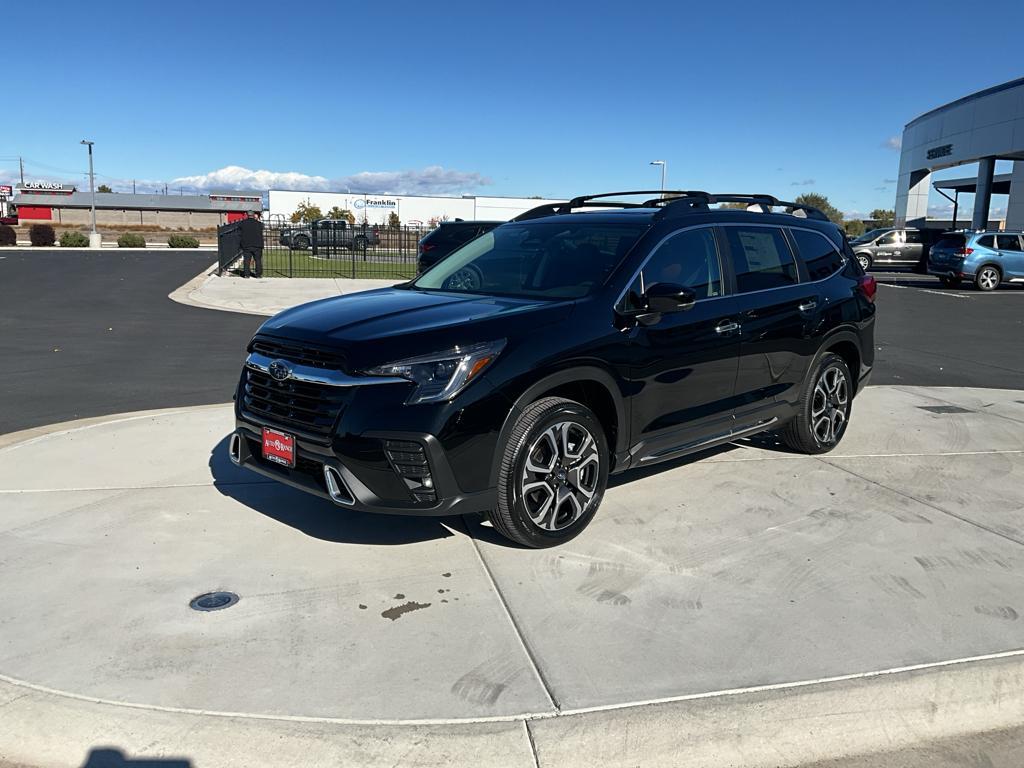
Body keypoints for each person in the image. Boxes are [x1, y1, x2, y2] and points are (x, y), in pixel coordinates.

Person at [239, 211, 264, 278]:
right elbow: (262, 228)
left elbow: (239, 230)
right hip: (258, 245)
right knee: (258, 260)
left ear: (247, 215)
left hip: (246, 244)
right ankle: (258, 274)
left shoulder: (243, 223)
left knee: (247, 260)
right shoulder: (259, 224)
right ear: (254, 215)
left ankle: (247, 274)